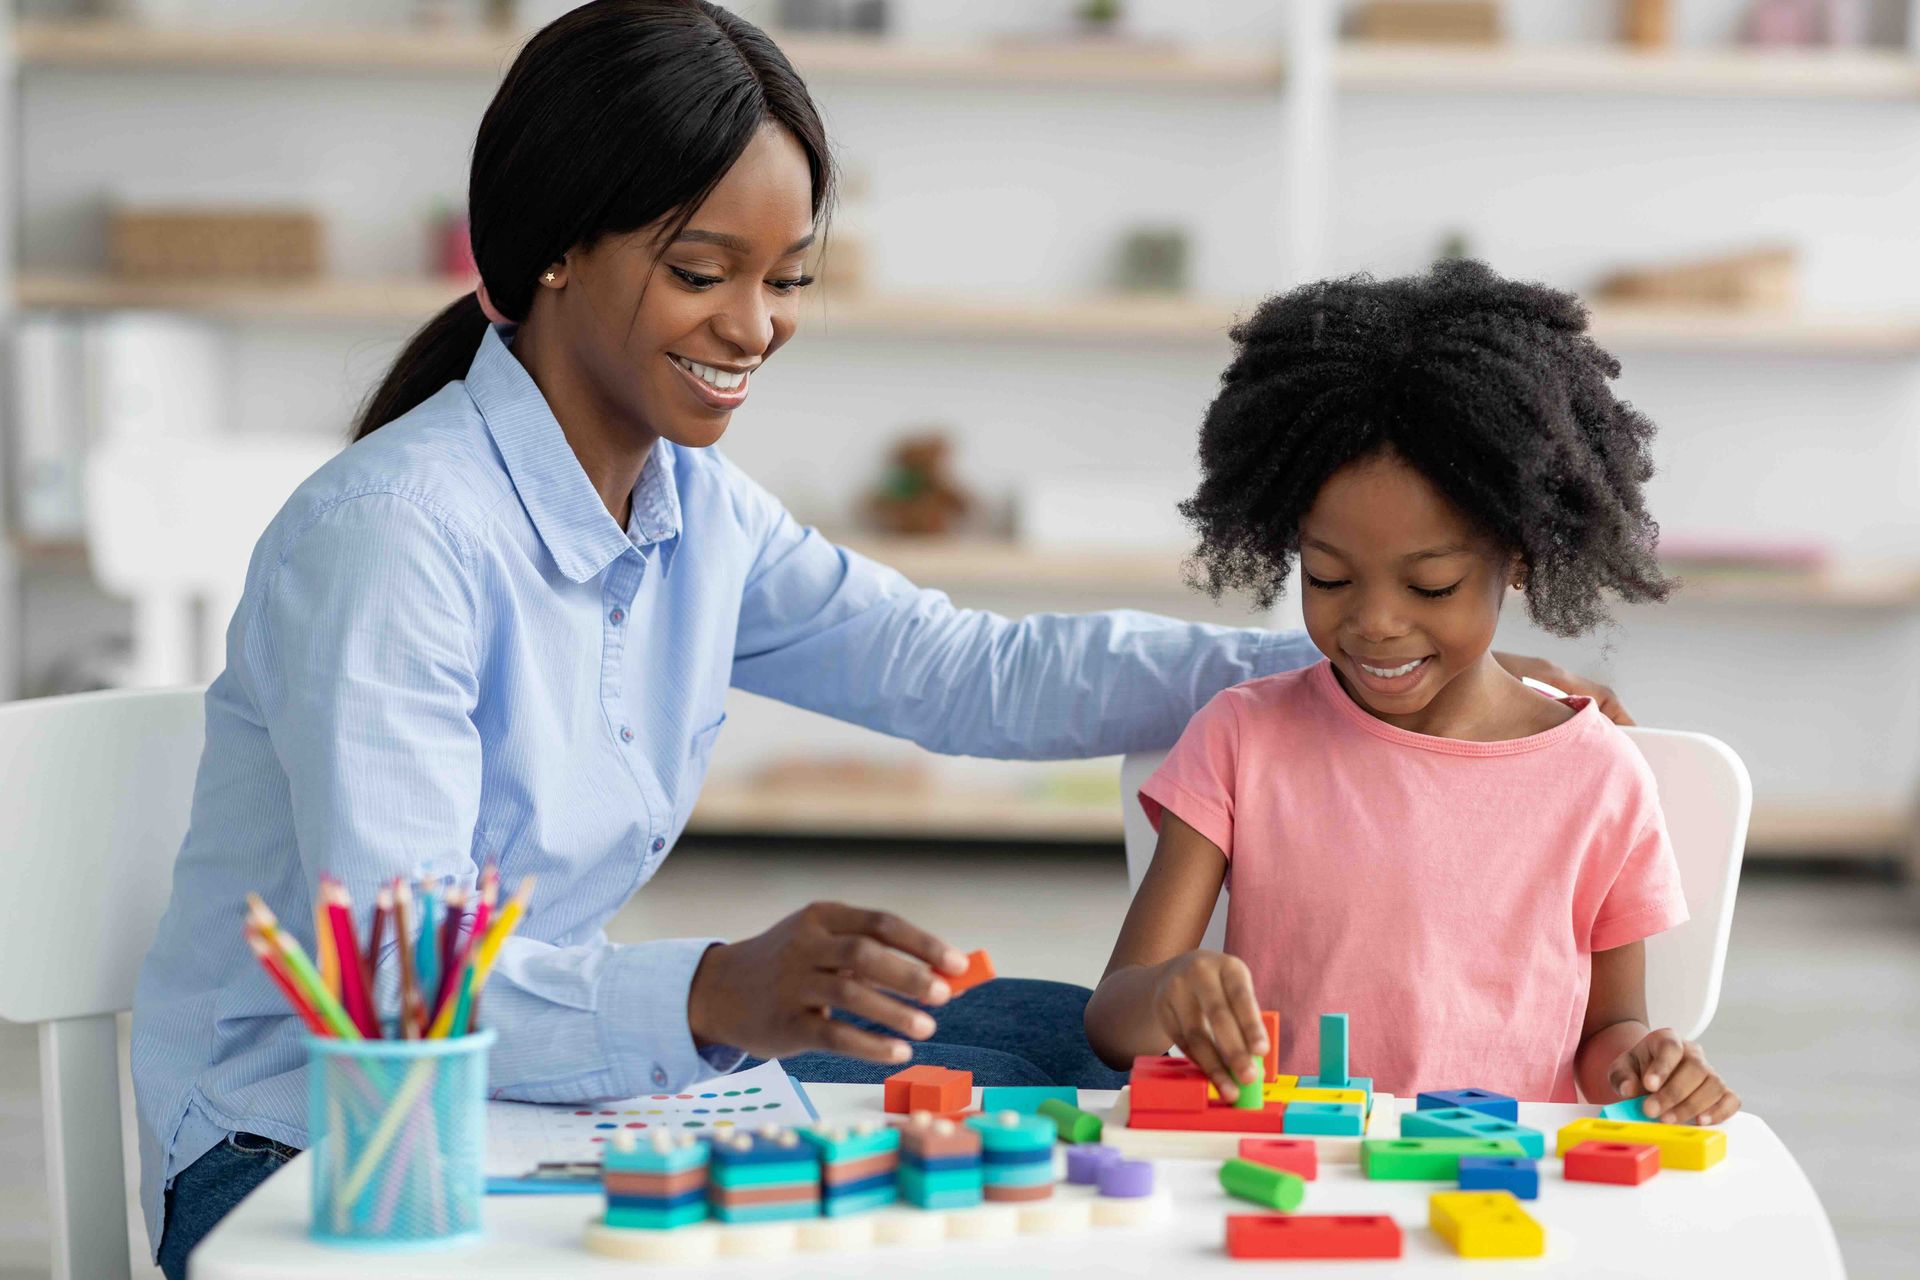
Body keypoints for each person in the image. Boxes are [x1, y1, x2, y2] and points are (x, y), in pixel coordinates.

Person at [130, 7, 1626, 1272]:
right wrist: (719, 991)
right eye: (703, 271)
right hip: (313, 1153)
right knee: (996, 1072)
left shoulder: (689, 511)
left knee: (1062, 1045)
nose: (754, 326)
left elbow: (963, 670)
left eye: (785, 280)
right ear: (551, 252)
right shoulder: (396, 537)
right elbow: (404, 983)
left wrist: (1355, 668)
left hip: (541, 1100)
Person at [1085, 261, 1740, 1126]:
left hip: (1493, 1186)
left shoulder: (1601, 777)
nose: (1375, 625)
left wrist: (1649, 1067)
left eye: (1430, 587)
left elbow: (1608, 1031)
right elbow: (1110, 1022)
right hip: (1293, 1167)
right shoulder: (1243, 738)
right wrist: (1169, 993)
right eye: (1327, 577)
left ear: (1519, 556)